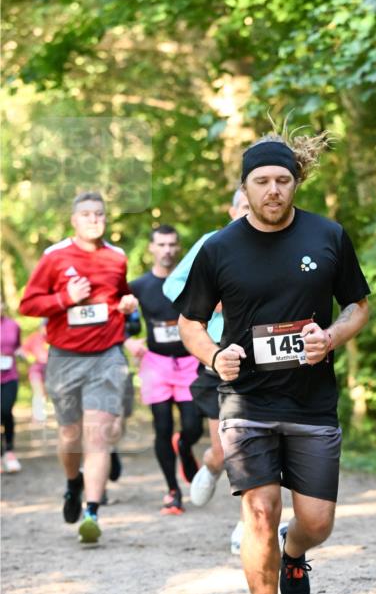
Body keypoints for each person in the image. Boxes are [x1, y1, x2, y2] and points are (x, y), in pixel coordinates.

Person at [176, 129, 371, 594]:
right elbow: (189, 322)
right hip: (246, 402)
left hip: (311, 402)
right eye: (261, 181)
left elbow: (358, 306)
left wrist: (331, 337)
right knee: (258, 511)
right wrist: (216, 355)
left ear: (295, 183)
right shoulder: (219, 248)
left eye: (283, 180)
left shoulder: (327, 236)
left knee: (317, 522)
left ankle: (294, 552)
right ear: (245, 186)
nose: (273, 190)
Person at [19, 191, 138, 544]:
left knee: (98, 435)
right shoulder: (54, 257)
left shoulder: (116, 257)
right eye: (86, 214)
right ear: (74, 220)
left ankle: (92, 512)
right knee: (70, 434)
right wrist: (64, 299)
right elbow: (28, 304)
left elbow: (119, 297)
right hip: (65, 358)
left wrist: (126, 304)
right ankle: (73, 483)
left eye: (99, 214)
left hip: (107, 355)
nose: (93, 220)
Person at [163, 190, 250, 549]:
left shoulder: (279, 243)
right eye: (244, 207)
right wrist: (206, 300)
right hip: (217, 358)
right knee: (226, 448)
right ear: (231, 210)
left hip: (262, 361)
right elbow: (172, 285)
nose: (251, 213)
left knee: (252, 448)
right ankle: (212, 465)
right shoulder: (212, 244)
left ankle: (248, 526)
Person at [128, 226, 202, 515]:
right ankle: (173, 491)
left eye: (172, 244)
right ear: (151, 248)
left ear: (178, 248)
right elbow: (123, 322)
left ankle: (184, 447)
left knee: (193, 426)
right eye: (161, 244)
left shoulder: (190, 282)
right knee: (161, 427)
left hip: (189, 361)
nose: (167, 250)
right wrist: (128, 341)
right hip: (155, 363)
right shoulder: (139, 286)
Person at [0, 297, 22, 473]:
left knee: (5, 410)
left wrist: (22, 354)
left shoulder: (13, 325)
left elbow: (17, 346)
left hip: (9, 376)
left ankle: (9, 451)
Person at [19, 319, 49, 422]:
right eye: (45, 326)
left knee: (45, 392)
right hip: (36, 369)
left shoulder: (52, 338)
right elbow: (22, 350)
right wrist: (30, 358)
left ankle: (41, 412)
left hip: (49, 369)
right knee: (38, 390)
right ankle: (38, 415)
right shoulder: (34, 337)